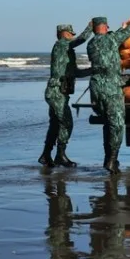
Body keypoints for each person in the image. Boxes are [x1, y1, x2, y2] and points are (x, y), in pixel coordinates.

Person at [86, 17, 130, 174]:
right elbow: (128, 31)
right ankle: (111, 160)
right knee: (117, 124)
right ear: (105, 27)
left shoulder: (91, 44)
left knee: (107, 123)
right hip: (110, 88)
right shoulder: (111, 39)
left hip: (95, 88)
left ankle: (108, 157)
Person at [40, 21, 93, 168]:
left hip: (60, 93)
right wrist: (90, 27)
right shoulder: (61, 45)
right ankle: (60, 156)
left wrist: (93, 69)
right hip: (56, 91)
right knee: (66, 122)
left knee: (56, 125)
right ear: (64, 34)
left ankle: (46, 155)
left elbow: (76, 73)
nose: (71, 36)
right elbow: (81, 39)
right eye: (70, 34)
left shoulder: (68, 52)